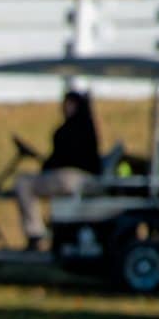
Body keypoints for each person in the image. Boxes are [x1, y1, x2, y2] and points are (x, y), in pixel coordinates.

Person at [12, 90, 101, 251]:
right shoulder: (87, 126)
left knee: (23, 182)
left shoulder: (71, 129)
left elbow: (64, 156)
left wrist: (48, 165)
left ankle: (35, 233)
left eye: (68, 104)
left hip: (70, 177)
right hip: (80, 177)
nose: (64, 108)